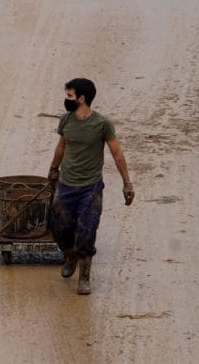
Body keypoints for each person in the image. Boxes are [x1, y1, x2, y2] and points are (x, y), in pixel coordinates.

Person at [47, 78, 134, 295]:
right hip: (66, 185)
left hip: (90, 188)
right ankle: (70, 256)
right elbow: (61, 146)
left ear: (82, 98)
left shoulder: (102, 124)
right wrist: (53, 169)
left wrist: (127, 183)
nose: (66, 100)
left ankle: (84, 277)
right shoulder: (66, 120)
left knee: (87, 231)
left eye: (69, 96)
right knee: (59, 227)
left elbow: (117, 154)